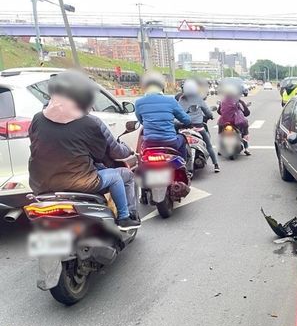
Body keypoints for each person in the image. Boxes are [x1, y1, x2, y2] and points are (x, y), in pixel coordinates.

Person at [28, 70, 140, 230]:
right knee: (118, 176)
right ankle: (124, 218)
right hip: (80, 182)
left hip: (40, 184)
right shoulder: (89, 123)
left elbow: (34, 143)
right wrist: (128, 150)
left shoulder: (37, 118)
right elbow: (102, 154)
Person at [134, 71, 191, 160]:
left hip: (149, 143)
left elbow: (141, 121)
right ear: (162, 87)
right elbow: (186, 120)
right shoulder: (171, 101)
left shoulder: (138, 103)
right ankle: (183, 165)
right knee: (182, 138)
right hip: (170, 142)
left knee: (142, 157)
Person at [178, 79, 220, 172]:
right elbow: (207, 111)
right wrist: (210, 116)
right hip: (198, 127)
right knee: (208, 144)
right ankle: (216, 164)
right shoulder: (198, 98)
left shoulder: (181, 99)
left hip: (183, 127)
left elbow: (177, 112)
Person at [217, 82, 251, 155]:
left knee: (220, 133)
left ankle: (220, 148)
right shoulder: (239, 101)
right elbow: (247, 112)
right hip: (236, 122)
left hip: (224, 122)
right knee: (245, 128)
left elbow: (219, 111)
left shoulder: (222, 101)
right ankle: (246, 148)